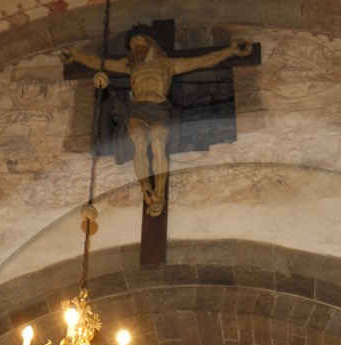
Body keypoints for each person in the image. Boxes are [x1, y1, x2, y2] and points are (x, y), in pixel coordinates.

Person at [61, 32, 253, 215]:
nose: (136, 50)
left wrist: (231, 51)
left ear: (151, 44)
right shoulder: (130, 66)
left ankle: (159, 193)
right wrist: (76, 55)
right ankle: (146, 190)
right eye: (133, 47)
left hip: (159, 108)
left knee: (158, 144)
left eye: (140, 45)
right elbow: (99, 63)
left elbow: (203, 61)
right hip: (136, 109)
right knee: (139, 144)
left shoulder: (168, 64)